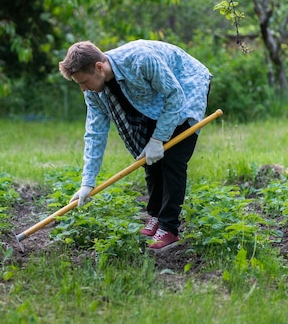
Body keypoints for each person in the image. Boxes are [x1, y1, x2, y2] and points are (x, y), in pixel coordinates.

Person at [58, 39, 212, 252]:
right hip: (153, 102)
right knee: (149, 160)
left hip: (185, 85)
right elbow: (95, 132)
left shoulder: (140, 59)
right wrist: (88, 182)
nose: (83, 88)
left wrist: (159, 140)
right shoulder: (94, 92)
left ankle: (169, 228)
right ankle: (155, 216)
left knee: (173, 159)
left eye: (84, 82)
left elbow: (175, 96)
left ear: (99, 67)